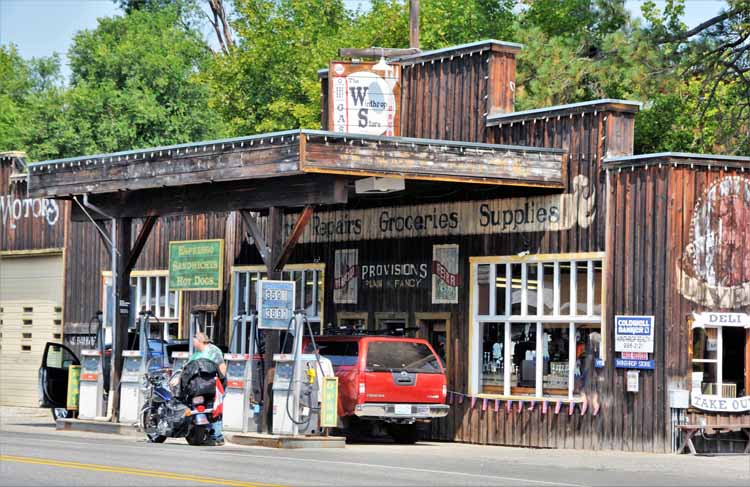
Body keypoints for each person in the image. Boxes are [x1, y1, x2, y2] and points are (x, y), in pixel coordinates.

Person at [188, 332, 227, 446]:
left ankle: (217, 436)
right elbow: (188, 366)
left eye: (194, 340)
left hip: (214, 385)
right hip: (201, 386)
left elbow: (222, 367)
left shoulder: (213, 351)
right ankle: (207, 434)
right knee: (204, 409)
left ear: (200, 341)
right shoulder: (196, 354)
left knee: (214, 410)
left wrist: (218, 384)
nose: (193, 342)